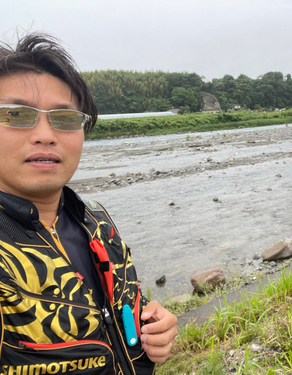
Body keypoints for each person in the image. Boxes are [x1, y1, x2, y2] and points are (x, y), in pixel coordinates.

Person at [0, 32, 177, 374]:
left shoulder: (94, 218)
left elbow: (120, 313)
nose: (45, 134)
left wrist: (155, 327)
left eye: (65, 119)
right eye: (16, 115)